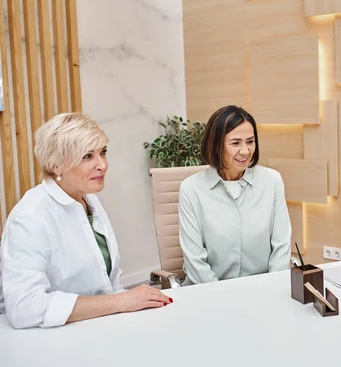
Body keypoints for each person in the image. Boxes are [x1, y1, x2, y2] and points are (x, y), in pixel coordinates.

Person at [0, 113, 171, 329]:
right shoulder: (30, 217)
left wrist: (129, 310)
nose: (102, 165)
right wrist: (120, 302)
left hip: (98, 327)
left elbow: (111, 281)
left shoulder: (89, 201)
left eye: (103, 153)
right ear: (56, 165)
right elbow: (24, 308)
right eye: (87, 156)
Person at [179, 105, 291, 284]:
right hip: (208, 294)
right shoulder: (191, 189)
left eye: (250, 141)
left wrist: (274, 288)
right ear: (216, 145)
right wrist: (223, 298)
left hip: (262, 290)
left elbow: (281, 247)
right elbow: (194, 260)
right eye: (235, 143)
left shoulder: (272, 181)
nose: (245, 151)